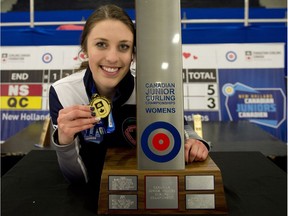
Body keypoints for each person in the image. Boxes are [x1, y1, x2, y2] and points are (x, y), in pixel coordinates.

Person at [49, 4, 210, 186]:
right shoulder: (64, 93)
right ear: (85, 49)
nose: (112, 57)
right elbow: (77, 180)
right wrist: (64, 143)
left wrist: (197, 142)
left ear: (132, 54)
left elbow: (183, 129)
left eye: (123, 46)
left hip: (144, 190)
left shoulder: (150, 89)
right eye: (101, 44)